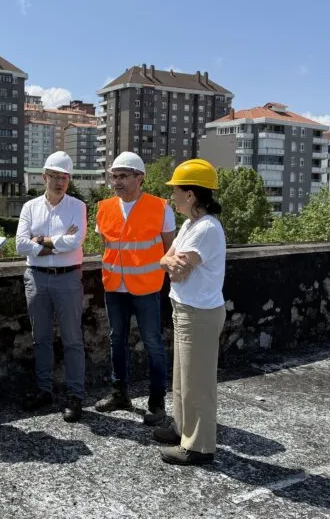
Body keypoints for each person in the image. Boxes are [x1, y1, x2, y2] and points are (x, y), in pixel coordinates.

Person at [152, 159, 227, 466]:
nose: (172, 195)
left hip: (199, 314)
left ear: (191, 195)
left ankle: (199, 447)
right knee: (183, 379)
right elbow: (166, 260)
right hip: (186, 309)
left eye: (176, 190)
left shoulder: (206, 229)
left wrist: (170, 264)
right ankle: (183, 430)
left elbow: (179, 272)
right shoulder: (189, 225)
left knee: (198, 383)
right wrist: (170, 263)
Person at [94, 151, 176, 426]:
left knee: (153, 343)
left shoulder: (160, 207)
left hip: (147, 288)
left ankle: (157, 402)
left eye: (123, 176)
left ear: (140, 178)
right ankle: (120, 393)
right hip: (114, 287)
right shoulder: (104, 207)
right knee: (117, 340)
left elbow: (169, 248)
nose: (117, 182)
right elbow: (108, 246)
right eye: (114, 176)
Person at [16, 151, 87, 422]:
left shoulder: (77, 207)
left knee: (72, 339)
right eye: (55, 177)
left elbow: (75, 242)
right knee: (41, 338)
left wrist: (40, 241)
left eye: (65, 178)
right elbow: (21, 244)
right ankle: (44, 390)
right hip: (36, 277)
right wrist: (56, 242)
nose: (60, 182)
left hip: (68, 277)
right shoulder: (30, 207)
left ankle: (75, 395)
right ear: (44, 177)